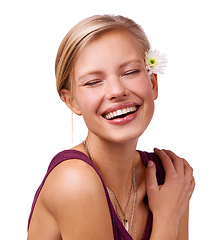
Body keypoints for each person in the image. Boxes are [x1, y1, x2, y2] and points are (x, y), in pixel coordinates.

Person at [27, 15, 195, 240]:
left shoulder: (170, 180)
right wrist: (167, 219)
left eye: (130, 72)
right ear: (71, 102)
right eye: (93, 82)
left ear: (153, 83)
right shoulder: (74, 181)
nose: (116, 90)